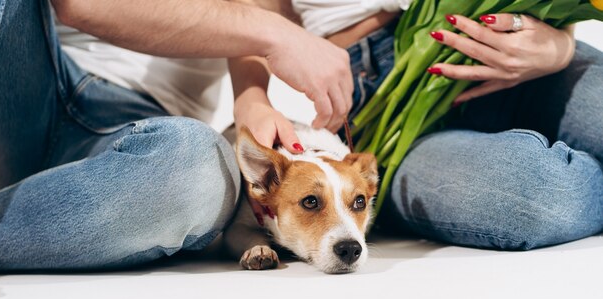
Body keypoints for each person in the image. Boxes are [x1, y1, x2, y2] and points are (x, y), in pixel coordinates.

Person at [0, 0, 354, 275]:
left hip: (140, 137)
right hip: (25, 93)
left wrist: (251, 102)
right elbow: (81, 5)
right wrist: (277, 34)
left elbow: (256, 16)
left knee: (199, 167)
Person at [231, 0, 603, 250]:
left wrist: (560, 45)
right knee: (540, 195)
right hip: (380, 95)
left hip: (527, 57)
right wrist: (251, 98)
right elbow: (252, 12)